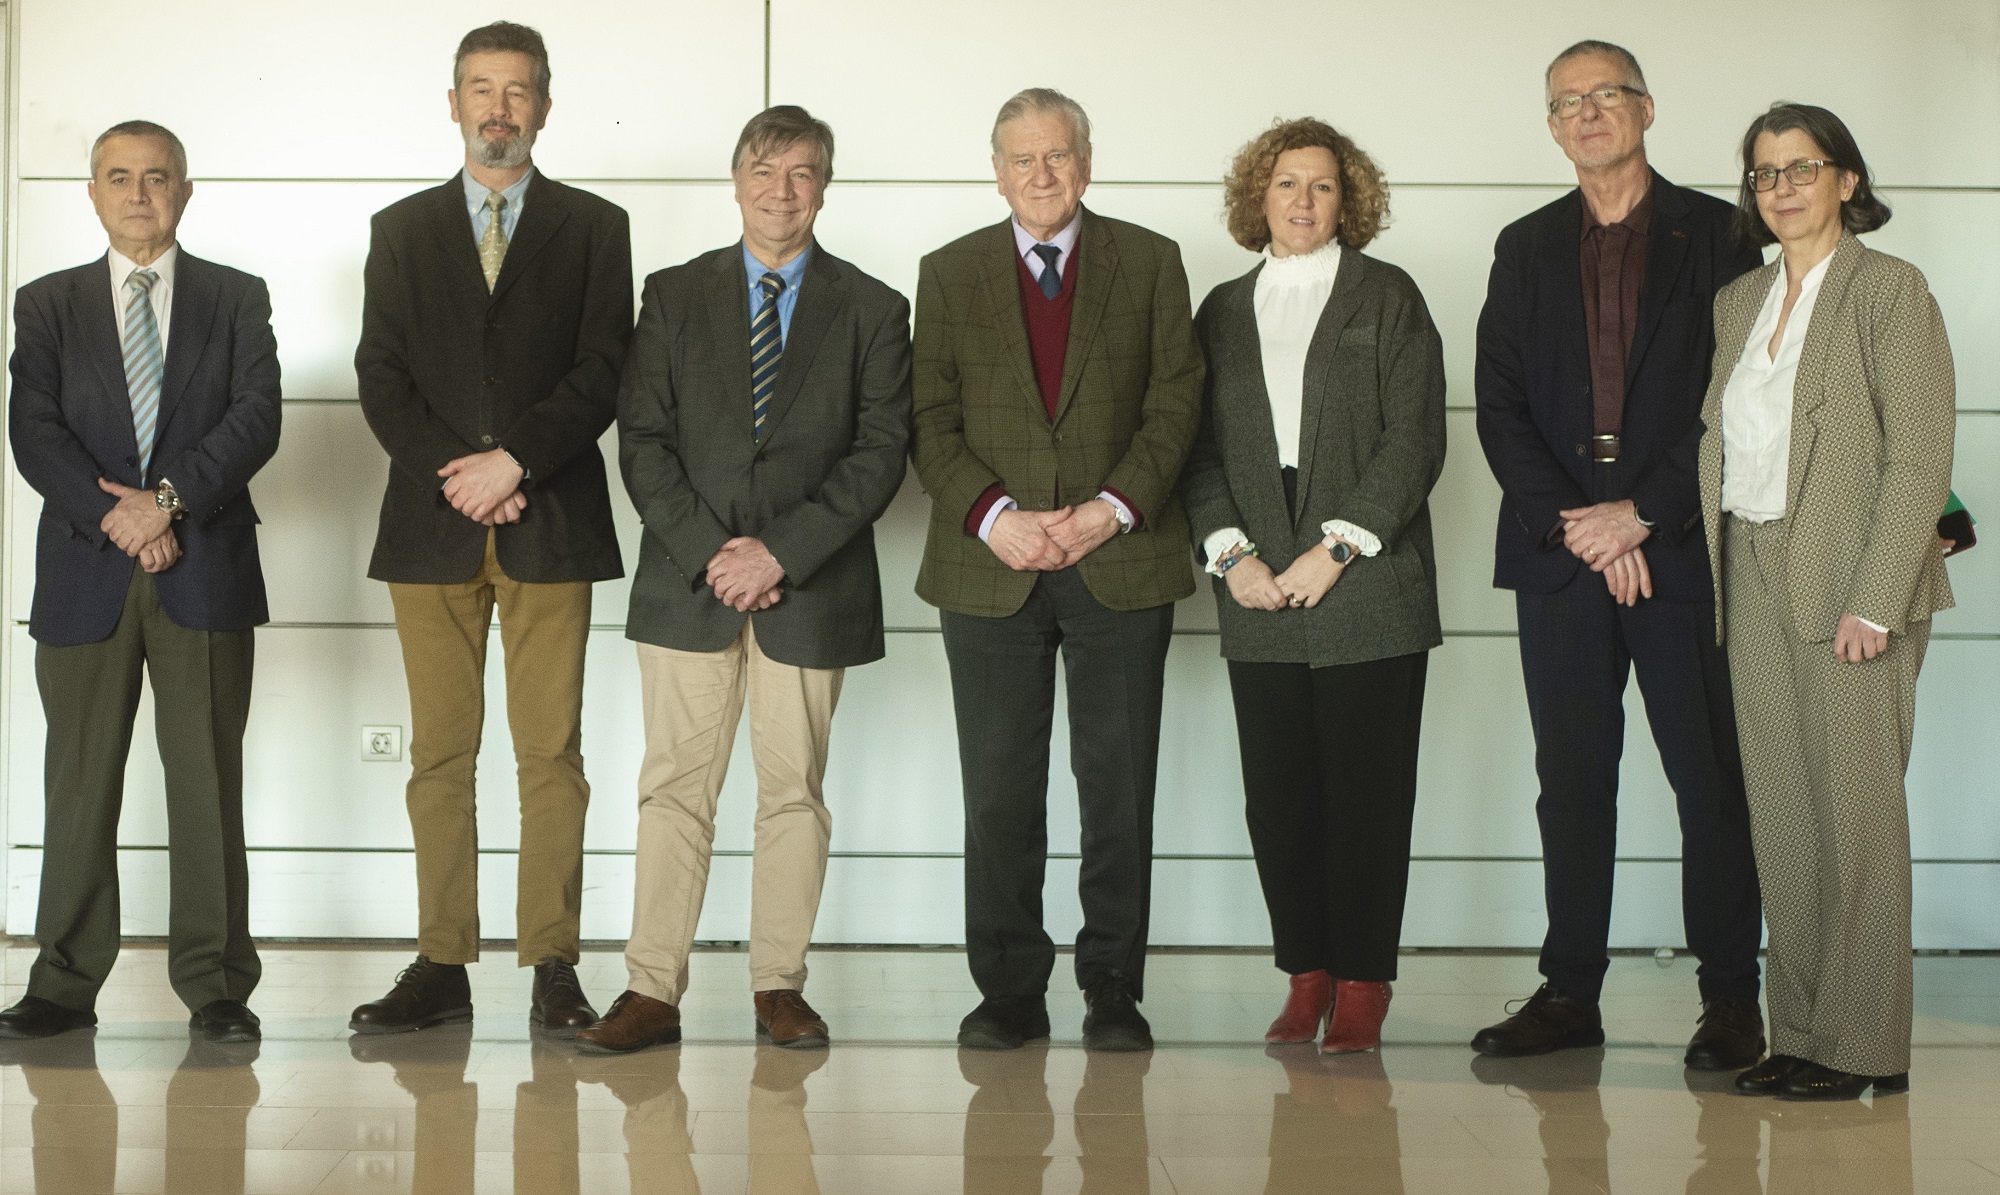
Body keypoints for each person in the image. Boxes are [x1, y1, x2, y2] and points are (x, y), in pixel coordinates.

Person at [576, 106, 912, 1054]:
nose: (781, 191)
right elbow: (641, 439)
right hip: (689, 585)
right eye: (764, 171)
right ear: (736, 183)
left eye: (802, 173)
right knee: (674, 789)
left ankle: (779, 987)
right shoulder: (674, 296)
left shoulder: (874, 307)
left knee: (792, 791)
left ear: (825, 186)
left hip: (811, 589)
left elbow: (880, 452)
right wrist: (716, 555)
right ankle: (651, 989)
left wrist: (780, 554)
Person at [1471, 40, 1766, 1067]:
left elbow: (1741, 395)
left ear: (1645, 108)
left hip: (1676, 550)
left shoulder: (1722, 236)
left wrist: (1642, 512)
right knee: (1571, 779)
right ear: (1551, 127)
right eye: (1566, 103)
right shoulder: (1522, 245)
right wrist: (1580, 525)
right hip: (1560, 560)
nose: (1586, 113)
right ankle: (1567, 991)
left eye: (1605, 96)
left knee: (1709, 780)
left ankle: (1730, 997)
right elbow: (1499, 407)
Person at [349, 21, 632, 1036]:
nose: (498, 108)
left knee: (550, 753)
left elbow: (603, 368)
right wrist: (459, 475)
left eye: (517, 91)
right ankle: (442, 959)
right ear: (454, 102)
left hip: (550, 519)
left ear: (544, 107)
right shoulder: (401, 228)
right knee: (439, 755)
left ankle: (552, 961)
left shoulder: (596, 226)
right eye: (481, 88)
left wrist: (515, 461)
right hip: (430, 528)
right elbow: (380, 374)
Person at [910, 87, 1204, 1052]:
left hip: (1118, 557)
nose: (1042, 176)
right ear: (996, 170)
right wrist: (996, 518)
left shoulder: (1152, 261)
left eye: (1058, 156)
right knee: (999, 788)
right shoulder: (947, 273)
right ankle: (1009, 989)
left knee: (1117, 787)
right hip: (990, 565)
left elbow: (1176, 406)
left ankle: (1113, 985)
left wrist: (1106, 511)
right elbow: (930, 422)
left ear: (1088, 158)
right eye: (1022, 160)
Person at [0, 121, 280, 1043]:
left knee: (207, 778)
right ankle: (62, 982)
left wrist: (166, 503)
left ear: (185, 190)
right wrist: (119, 517)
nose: (137, 194)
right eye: (118, 178)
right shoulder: (44, 305)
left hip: (205, 568)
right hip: (87, 572)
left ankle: (216, 984)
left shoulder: (238, 298)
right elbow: (34, 431)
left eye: (156, 177)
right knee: (79, 781)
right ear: (91, 193)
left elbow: (255, 420)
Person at [1705, 103, 1954, 1101]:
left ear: (1845, 180)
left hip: (1855, 581)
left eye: (1800, 167)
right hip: (1752, 567)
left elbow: (1917, 454)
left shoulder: (1889, 291)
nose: (1780, 187)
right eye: (1762, 173)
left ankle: (1863, 1047)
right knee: (1784, 818)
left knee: (1854, 819)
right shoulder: (1737, 301)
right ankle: (1801, 1032)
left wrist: (1876, 597)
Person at [1180, 118, 1446, 1052]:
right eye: (1286, 183)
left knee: (1367, 794)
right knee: (1280, 796)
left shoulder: (1389, 296)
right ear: (1259, 196)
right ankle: (1307, 973)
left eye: (1322, 186)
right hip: (1255, 583)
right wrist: (1230, 555)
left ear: (1350, 199)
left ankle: (1364, 981)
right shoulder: (1217, 309)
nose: (1303, 200)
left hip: (1367, 580)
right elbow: (1195, 447)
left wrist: (1334, 551)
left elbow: (1415, 438)